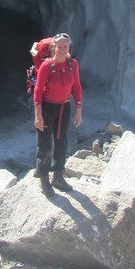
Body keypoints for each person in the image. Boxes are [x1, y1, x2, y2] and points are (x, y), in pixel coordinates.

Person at [33, 32, 82, 196]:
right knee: (45, 144)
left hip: (63, 108)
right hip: (47, 109)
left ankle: (58, 176)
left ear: (69, 48)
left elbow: (76, 88)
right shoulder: (47, 66)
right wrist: (38, 116)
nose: (62, 50)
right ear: (54, 47)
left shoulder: (72, 64)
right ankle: (44, 179)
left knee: (61, 142)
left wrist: (78, 111)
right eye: (59, 46)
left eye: (65, 47)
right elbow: (38, 92)